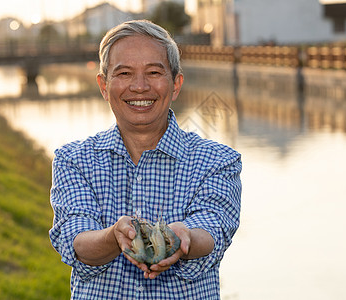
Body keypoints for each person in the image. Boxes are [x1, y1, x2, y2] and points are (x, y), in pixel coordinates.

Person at [49, 19, 242, 299]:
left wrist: (182, 238)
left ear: (176, 84)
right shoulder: (74, 160)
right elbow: (77, 241)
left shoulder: (218, 160)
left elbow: (213, 229)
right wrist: (114, 236)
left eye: (153, 72)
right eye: (124, 73)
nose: (139, 87)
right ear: (104, 86)